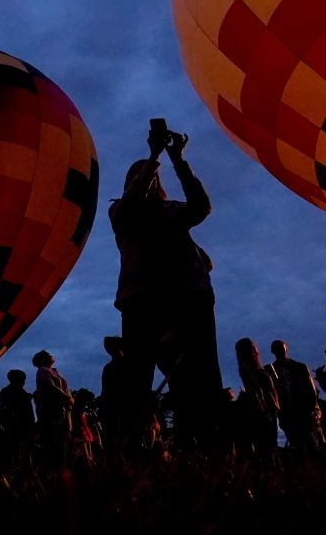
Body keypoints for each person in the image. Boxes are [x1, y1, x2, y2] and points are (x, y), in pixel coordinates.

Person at [108, 122, 222, 443]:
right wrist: (154, 155)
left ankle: (202, 441)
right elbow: (131, 203)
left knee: (199, 376)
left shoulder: (172, 211)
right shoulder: (122, 213)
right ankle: (135, 445)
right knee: (138, 378)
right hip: (142, 302)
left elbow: (202, 206)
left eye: (151, 176)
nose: (148, 179)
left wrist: (178, 161)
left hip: (189, 299)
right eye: (142, 176)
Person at [265, 340, 321, 453]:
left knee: (310, 443)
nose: (279, 351)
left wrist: (312, 409)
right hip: (287, 414)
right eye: (277, 349)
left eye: (280, 348)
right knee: (299, 444)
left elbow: (311, 390)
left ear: (285, 349)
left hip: (302, 412)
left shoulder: (300, 367)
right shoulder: (269, 370)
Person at [233, 338, 278, 460]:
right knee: (269, 446)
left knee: (266, 446)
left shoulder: (245, 368)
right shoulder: (252, 369)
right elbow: (260, 389)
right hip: (264, 410)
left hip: (262, 409)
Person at [33, 350, 75, 459]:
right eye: (48, 355)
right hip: (52, 411)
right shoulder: (43, 371)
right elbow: (51, 387)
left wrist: (69, 398)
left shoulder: (54, 372)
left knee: (62, 441)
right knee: (55, 441)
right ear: (43, 359)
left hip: (62, 410)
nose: (52, 355)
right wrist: (67, 397)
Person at [0, 368, 35, 454]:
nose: (24, 382)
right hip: (18, 425)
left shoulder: (6, 391)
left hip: (15, 425)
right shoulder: (20, 393)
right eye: (22, 380)